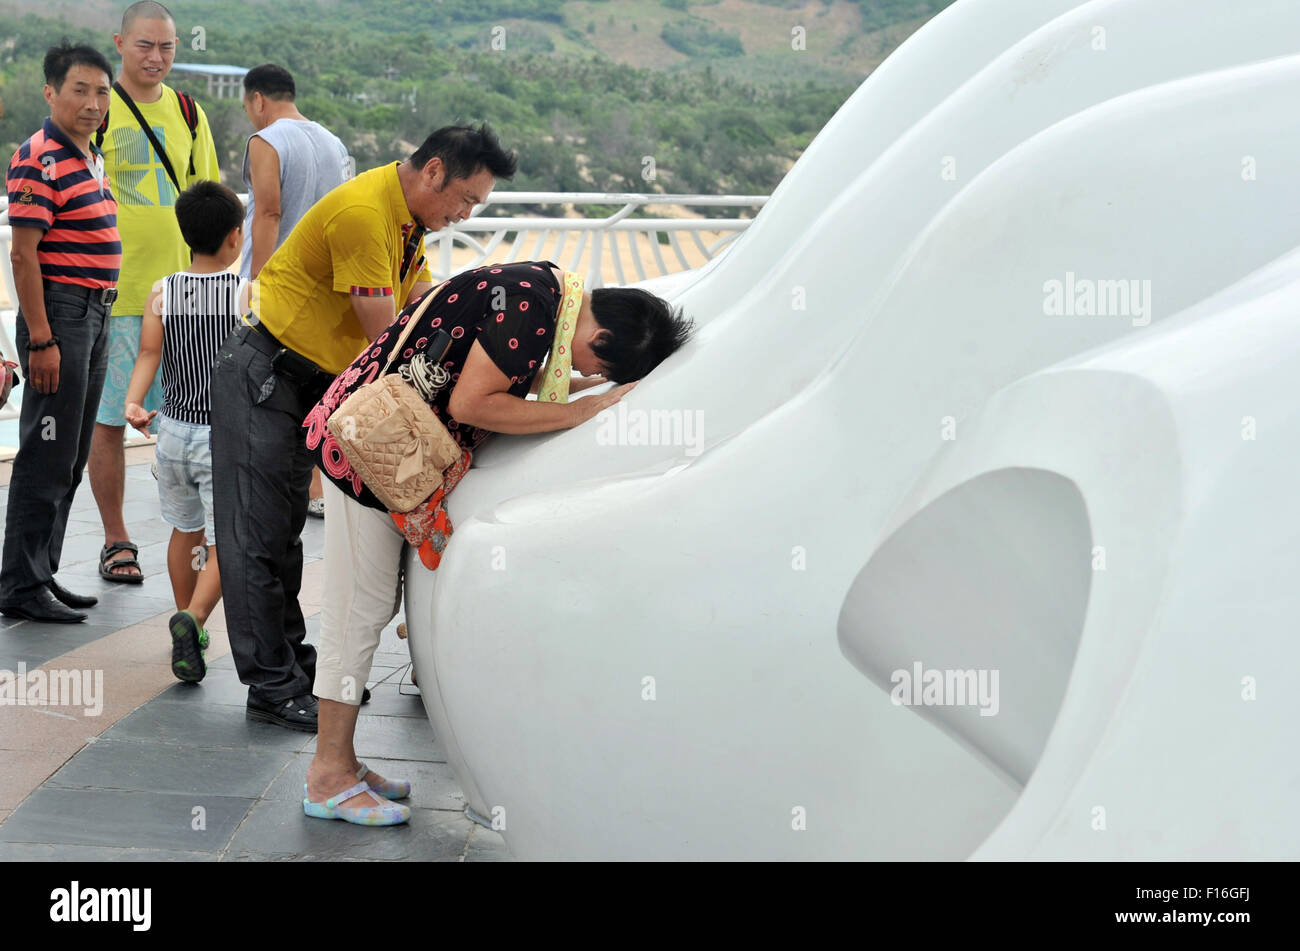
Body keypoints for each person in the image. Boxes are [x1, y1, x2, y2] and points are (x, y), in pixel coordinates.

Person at [299, 262, 694, 824]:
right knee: (355, 615)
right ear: (600, 336)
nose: (587, 372)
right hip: (367, 459)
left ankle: (345, 761)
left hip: (374, 443)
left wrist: (571, 392)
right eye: (598, 366)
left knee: (370, 607)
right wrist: (577, 409)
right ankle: (327, 775)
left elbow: (492, 365)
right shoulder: (534, 312)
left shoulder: (545, 286)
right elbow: (472, 404)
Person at [210, 124, 516, 733]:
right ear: (433, 171)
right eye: (465, 200)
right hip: (267, 373)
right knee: (258, 538)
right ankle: (271, 687)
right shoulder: (362, 213)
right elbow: (391, 337)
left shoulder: (406, 223)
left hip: (311, 381)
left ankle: (294, 667)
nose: (463, 214)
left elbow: (422, 300)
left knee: (285, 534)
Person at [90, 0, 220, 584]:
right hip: (116, 292)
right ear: (120, 43)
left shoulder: (189, 113)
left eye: (167, 47)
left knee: (195, 418)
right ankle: (117, 538)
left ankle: (194, 542)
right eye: (145, 45)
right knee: (112, 419)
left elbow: (210, 202)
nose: (157, 57)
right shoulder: (98, 111)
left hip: (186, 296)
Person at [0, 43, 120, 624]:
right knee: (46, 452)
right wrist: (42, 341)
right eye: (81, 90)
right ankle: (20, 583)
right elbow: (23, 256)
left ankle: (40, 572)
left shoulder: (90, 157)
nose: (94, 103)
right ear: (51, 92)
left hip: (93, 317)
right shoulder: (38, 157)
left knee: (69, 455)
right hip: (61, 317)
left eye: (102, 91)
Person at [123, 182, 244, 683]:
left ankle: (183, 617)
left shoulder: (163, 291)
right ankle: (193, 619)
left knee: (184, 528)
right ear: (236, 238)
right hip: (223, 435)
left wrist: (133, 401)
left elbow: (150, 353)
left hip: (172, 430)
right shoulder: (246, 295)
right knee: (224, 540)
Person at [239, 62, 352, 519]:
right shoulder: (334, 143)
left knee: (268, 396)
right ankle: (318, 488)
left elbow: (267, 213)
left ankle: (272, 489)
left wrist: (259, 286)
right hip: (324, 291)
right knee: (314, 394)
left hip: (280, 292)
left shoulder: (265, 140)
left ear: (257, 101)